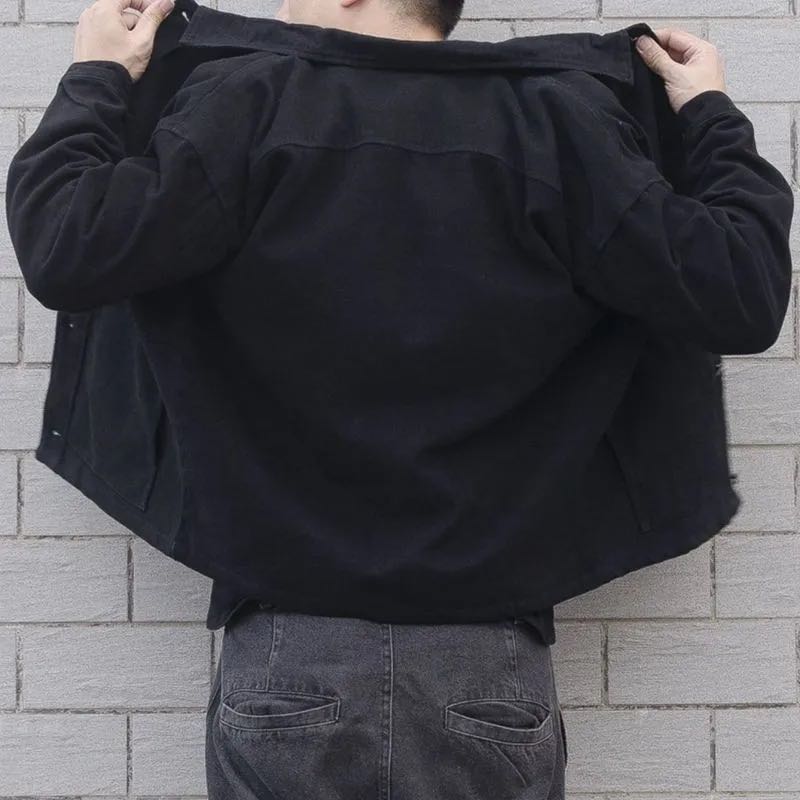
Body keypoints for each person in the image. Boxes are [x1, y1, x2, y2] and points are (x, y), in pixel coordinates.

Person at [6, 0, 792, 797]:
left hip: (287, 656)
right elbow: (742, 288)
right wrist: (708, 114)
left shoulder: (248, 105)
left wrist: (100, 73)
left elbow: (67, 240)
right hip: (489, 667)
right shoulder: (560, 124)